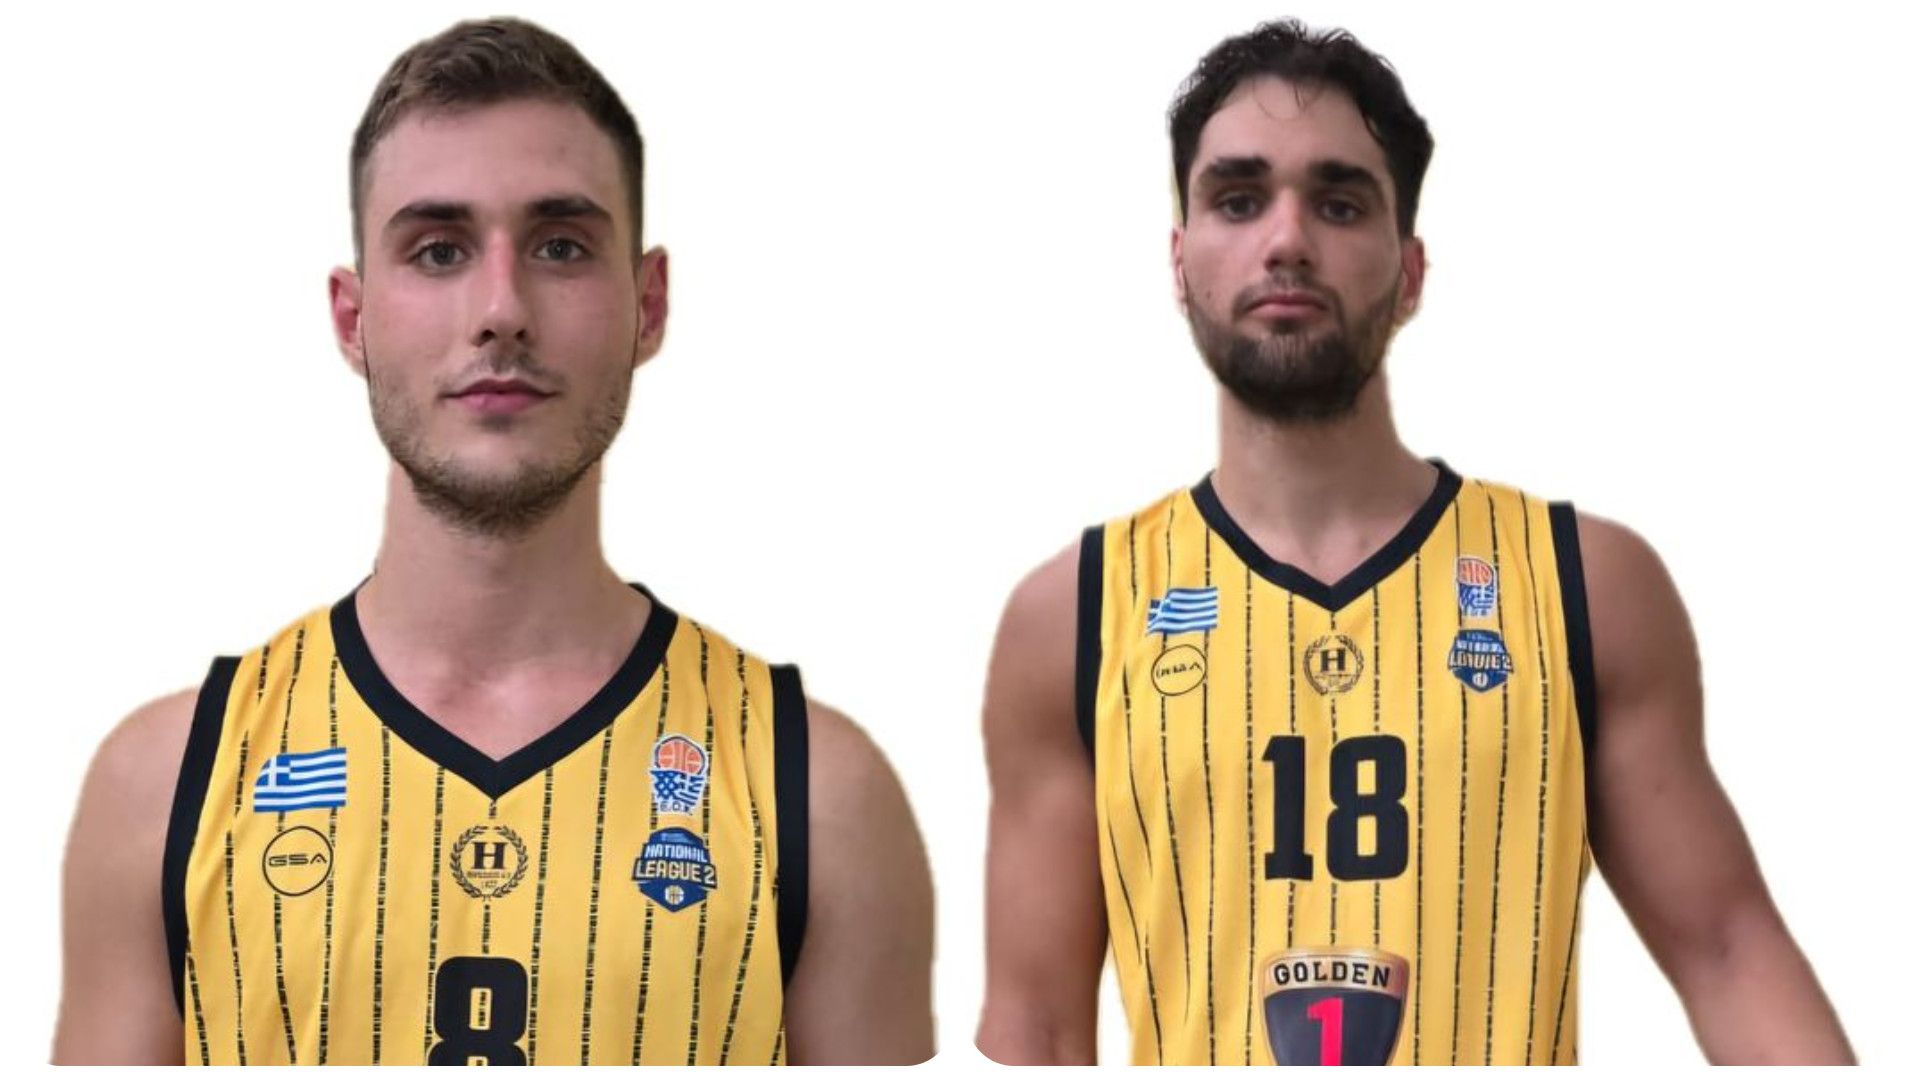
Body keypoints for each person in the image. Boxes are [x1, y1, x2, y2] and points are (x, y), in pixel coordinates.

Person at [53, 17, 932, 1066]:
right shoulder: (167, 784)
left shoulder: (818, 793)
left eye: (561, 246)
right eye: (439, 250)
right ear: (353, 318)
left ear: (649, 305)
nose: (502, 309)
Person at [976, 18, 1852, 1066]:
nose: (1287, 240)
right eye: (1239, 199)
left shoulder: (1581, 583)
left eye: (1339, 203)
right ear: (1179, 259)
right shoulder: (1074, 615)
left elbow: (1726, 950)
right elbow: (1035, 1027)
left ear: (1410, 270)